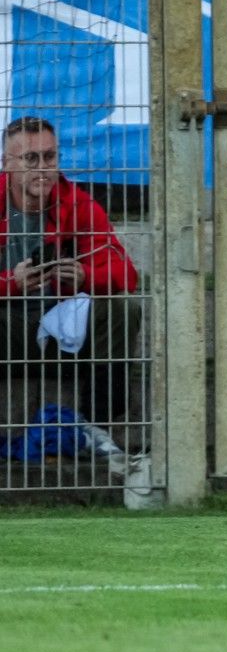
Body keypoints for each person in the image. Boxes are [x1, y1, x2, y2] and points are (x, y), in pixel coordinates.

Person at [0, 115, 146, 474]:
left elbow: (127, 275)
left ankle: (97, 428)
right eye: (30, 159)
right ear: (7, 164)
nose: (43, 169)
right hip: (7, 328)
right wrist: (11, 283)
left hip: (62, 334)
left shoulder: (77, 203)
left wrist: (83, 278)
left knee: (123, 308)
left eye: (50, 158)